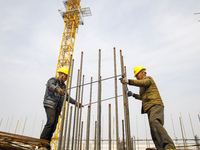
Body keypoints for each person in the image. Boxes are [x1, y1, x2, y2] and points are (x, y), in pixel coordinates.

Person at [120, 66, 176, 150]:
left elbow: (144, 83)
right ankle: (160, 147)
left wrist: (128, 81)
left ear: (142, 73)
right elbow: (143, 97)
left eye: (137, 76)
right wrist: (133, 95)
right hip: (149, 107)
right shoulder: (142, 86)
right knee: (153, 129)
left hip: (155, 105)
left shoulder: (148, 79)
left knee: (154, 122)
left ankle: (170, 146)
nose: (137, 78)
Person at [40, 67, 82, 150]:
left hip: (57, 108)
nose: (66, 79)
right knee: (50, 122)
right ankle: (41, 143)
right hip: (50, 104)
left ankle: (46, 144)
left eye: (67, 77)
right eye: (65, 77)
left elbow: (67, 97)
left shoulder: (64, 86)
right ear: (61, 75)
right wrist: (57, 89)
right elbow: (50, 85)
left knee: (54, 126)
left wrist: (76, 103)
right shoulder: (53, 80)